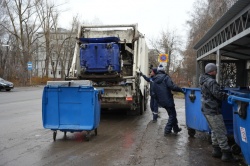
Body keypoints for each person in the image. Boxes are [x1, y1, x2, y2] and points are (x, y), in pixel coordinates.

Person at [199, 63, 238, 162]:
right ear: (212, 71)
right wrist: (227, 96)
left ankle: (216, 150)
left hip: (206, 109)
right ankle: (226, 153)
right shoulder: (211, 81)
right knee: (221, 131)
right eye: (215, 70)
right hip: (213, 110)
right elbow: (217, 94)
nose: (216, 72)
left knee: (214, 130)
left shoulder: (203, 80)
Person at [152, 64, 183, 135]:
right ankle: (167, 130)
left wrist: (158, 100)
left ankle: (176, 128)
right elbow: (171, 86)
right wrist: (181, 90)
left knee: (171, 114)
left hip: (161, 101)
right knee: (173, 114)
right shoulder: (166, 77)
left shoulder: (154, 79)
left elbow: (153, 93)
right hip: (168, 100)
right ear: (163, 70)